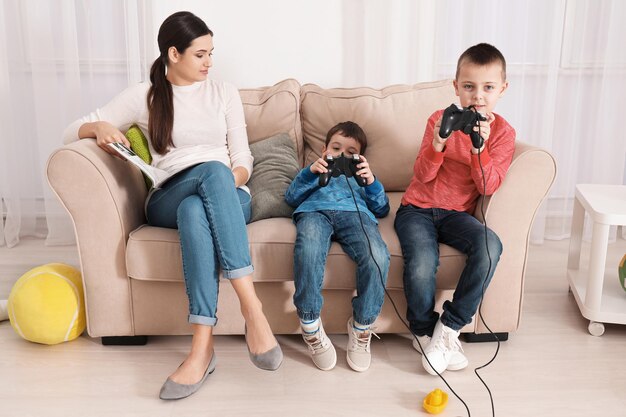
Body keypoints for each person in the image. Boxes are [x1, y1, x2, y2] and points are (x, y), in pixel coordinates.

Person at [62, 11, 282, 400]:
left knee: (199, 206)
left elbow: (243, 159)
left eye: (211, 53)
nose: (209, 63)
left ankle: (201, 348)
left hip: (227, 194)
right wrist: (98, 128)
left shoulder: (224, 92)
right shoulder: (144, 96)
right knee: (206, 178)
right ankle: (253, 309)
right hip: (167, 194)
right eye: (200, 54)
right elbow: (69, 131)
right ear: (173, 53)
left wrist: (226, 183)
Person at [393, 43, 515, 376]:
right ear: (456, 87)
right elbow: (422, 176)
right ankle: (422, 328)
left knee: (491, 245)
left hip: (457, 215)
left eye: (488, 87)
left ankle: (448, 329)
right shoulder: (440, 119)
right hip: (417, 209)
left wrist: (480, 149)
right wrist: (437, 144)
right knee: (422, 263)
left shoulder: (503, 133)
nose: (478, 96)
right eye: (469, 86)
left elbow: (489, 187)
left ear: (502, 89)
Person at [284, 121, 390, 372]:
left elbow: (383, 208)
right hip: (314, 212)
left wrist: (370, 180)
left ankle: (362, 327)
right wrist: (312, 172)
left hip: (356, 215)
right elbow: (290, 197)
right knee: (308, 249)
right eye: (336, 148)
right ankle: (310, 325)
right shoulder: (314, 171)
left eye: (351, 152)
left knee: (378, 256)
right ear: (324, 150)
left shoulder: (361, 179)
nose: (343, 155)